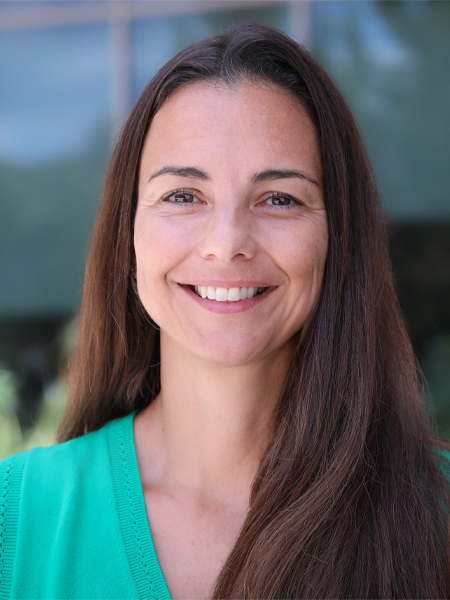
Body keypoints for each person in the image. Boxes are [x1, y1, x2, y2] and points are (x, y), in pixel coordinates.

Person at [1, 22, 449, 600]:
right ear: (129, 235)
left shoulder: (436, 516)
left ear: (338, 237)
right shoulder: (16, 521)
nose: (226, 241)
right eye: (183, 195)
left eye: (280, 198)